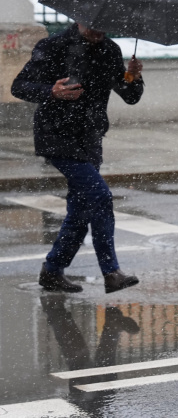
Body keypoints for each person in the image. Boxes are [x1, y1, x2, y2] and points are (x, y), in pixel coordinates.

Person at [12, 22, 144, 294]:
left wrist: (133, 76)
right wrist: (51, 91)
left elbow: (130, 96)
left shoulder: (110, 50)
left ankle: (52, 271)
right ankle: (111, 272)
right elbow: (19, 86)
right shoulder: (53, 46)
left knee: (81, 210)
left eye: (103, 27)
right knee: (100, 197)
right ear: (79, 17)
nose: (98, 31)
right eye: (93, 26)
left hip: (91, 138)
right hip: (57, 136)